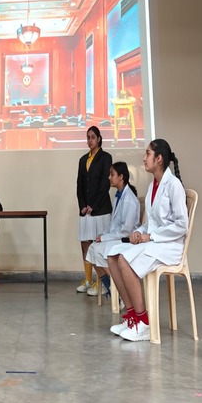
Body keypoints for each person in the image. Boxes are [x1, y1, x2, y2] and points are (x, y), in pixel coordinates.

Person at [108, 139, 188, 342]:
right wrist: (138, 232)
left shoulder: (174, 185)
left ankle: (143, 322)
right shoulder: (153, 185)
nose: (144, 158)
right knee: (113, 255)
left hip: (170, 246)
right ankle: (132, 316)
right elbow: (151, 223)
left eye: (147, 154)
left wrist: (150, 236)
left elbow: (182, 226)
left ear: (159, 159)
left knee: (124, 260)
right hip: (155, 243)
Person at [85, 162, 140, 297]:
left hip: (126, 240)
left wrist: (105, 238)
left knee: (99, 251)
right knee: (92, 248)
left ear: (121, 177)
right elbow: (114, 223)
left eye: (112, 174)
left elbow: (126, 231)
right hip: (118, 237)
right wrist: (103, 235)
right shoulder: (118, 196)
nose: (109, 177)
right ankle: (111, 287)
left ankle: (119, 291)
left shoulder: (129, 199)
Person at [76, 125, 112, 294]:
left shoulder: (106, 157)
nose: (90, 140)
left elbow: (105, 184)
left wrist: (94, 205)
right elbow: (79, 185)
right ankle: (88, 279)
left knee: (99, 246)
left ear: (99, 139)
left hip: (101, 210)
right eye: (88, 137)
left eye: (92, 137)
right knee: (85, 244)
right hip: (86, 212)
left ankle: (101, 283)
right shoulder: (83, 159)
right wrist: (83, 205)